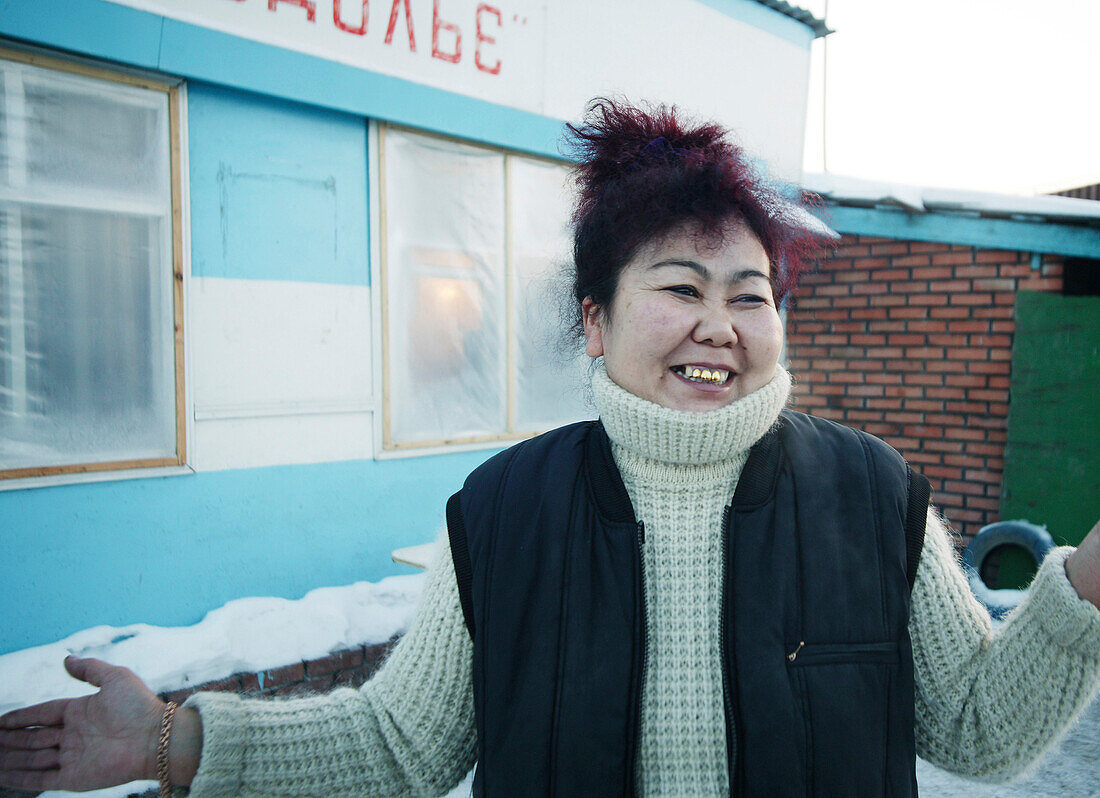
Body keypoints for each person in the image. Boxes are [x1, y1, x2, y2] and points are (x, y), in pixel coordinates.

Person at [2, 99, 1099, 797]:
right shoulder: (505, 511)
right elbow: (399, 744)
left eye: (749, 296)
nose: (718, 325)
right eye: (679, 288)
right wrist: (165, 743)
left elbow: (976, 731)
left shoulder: (871, 496)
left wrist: (1086, 584)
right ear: (593, 319)